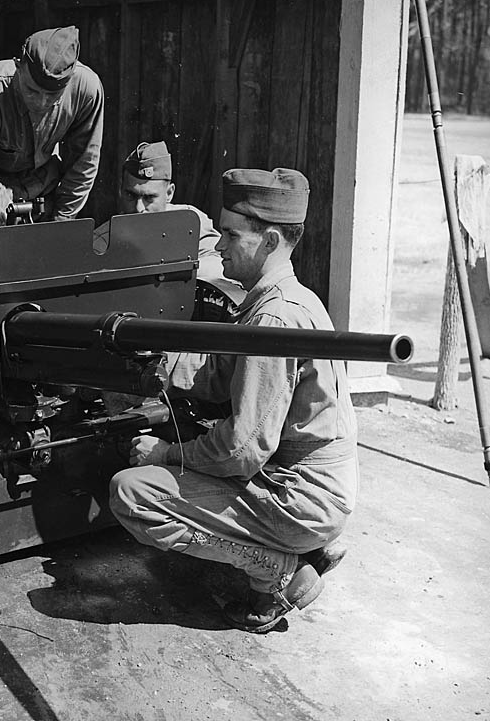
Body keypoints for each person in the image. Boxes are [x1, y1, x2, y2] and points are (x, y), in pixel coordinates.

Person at [108, 168, 356, 634]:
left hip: (297, 497)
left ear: (270, 240)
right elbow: (218, 374)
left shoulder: (276, 319)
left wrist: (166, 454)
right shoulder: (282, 299)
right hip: (307, 489)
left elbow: (242, 451)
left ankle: (279, 570)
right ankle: (301, 548)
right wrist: (148, 365)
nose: (218, 246)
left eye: (229, 234)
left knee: (134, 493)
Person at [0, 26, 104, 226]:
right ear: (18, 66)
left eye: (52, 96)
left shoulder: (87, 89)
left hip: (45, 203)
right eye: (31, 91)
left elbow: (83, 165)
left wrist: (60, 223)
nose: (40, 104)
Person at [93, 139, 245, 321]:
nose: (139, 207)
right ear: (120, 190)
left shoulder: (189, 221)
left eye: (149, 197)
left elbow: (218, 265)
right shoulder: (103, 240)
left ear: (169, 193)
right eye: (130, 195)